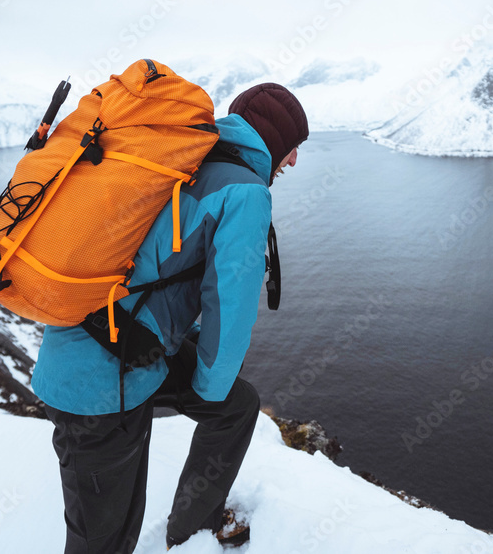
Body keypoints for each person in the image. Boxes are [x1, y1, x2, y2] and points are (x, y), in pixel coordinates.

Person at [30, 82, 309, 552]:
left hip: (111, 345)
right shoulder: (245, 193)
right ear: (274, 141)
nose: (295, 162)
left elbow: (160, 268)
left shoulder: (191, 163)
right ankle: (182, 531)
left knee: (237, 407)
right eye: (294, 148)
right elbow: (230, 304)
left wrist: (194, 363)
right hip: (100, 387)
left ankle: (191, 531)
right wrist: (206, 387)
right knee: (104, 542)